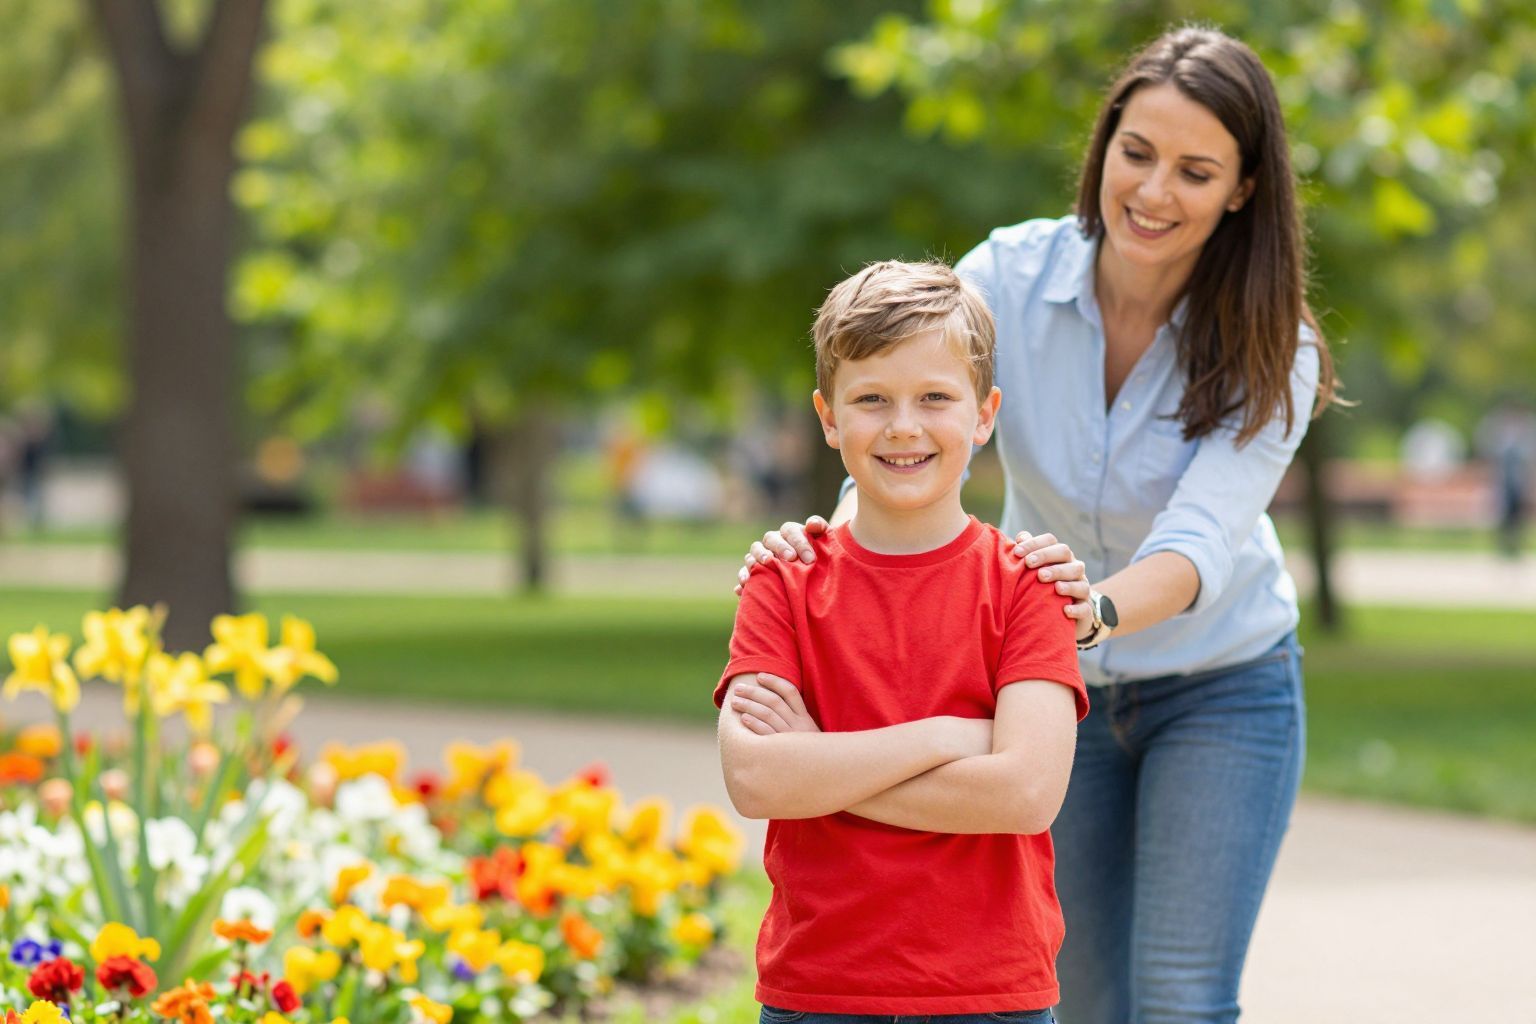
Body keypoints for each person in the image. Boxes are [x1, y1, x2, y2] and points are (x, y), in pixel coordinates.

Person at [739, 27, 1342, 1024]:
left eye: (1195, 172)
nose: (1152, 191)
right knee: (1087, 995)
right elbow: (911, 399)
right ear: (1104, 146)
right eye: (1136, 153)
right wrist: (829, 552)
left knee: (1181, 998)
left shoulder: (1275, 344)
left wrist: (1076, 613)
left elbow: (1198, 542)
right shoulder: (1009, 276)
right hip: (1049, 680)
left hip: (1218, 680)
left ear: (1242, 189)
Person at [718, 259, 1089, 1022]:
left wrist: (820, 766)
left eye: (935, 398)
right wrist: (950, 737)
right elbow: (756, 781)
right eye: (871, 400)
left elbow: (1025, 794)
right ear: (828, 418)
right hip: (818, 988)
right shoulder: (781, 581)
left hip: (991, 993)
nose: (903, 426)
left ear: (985, 414)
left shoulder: (1030, 585)